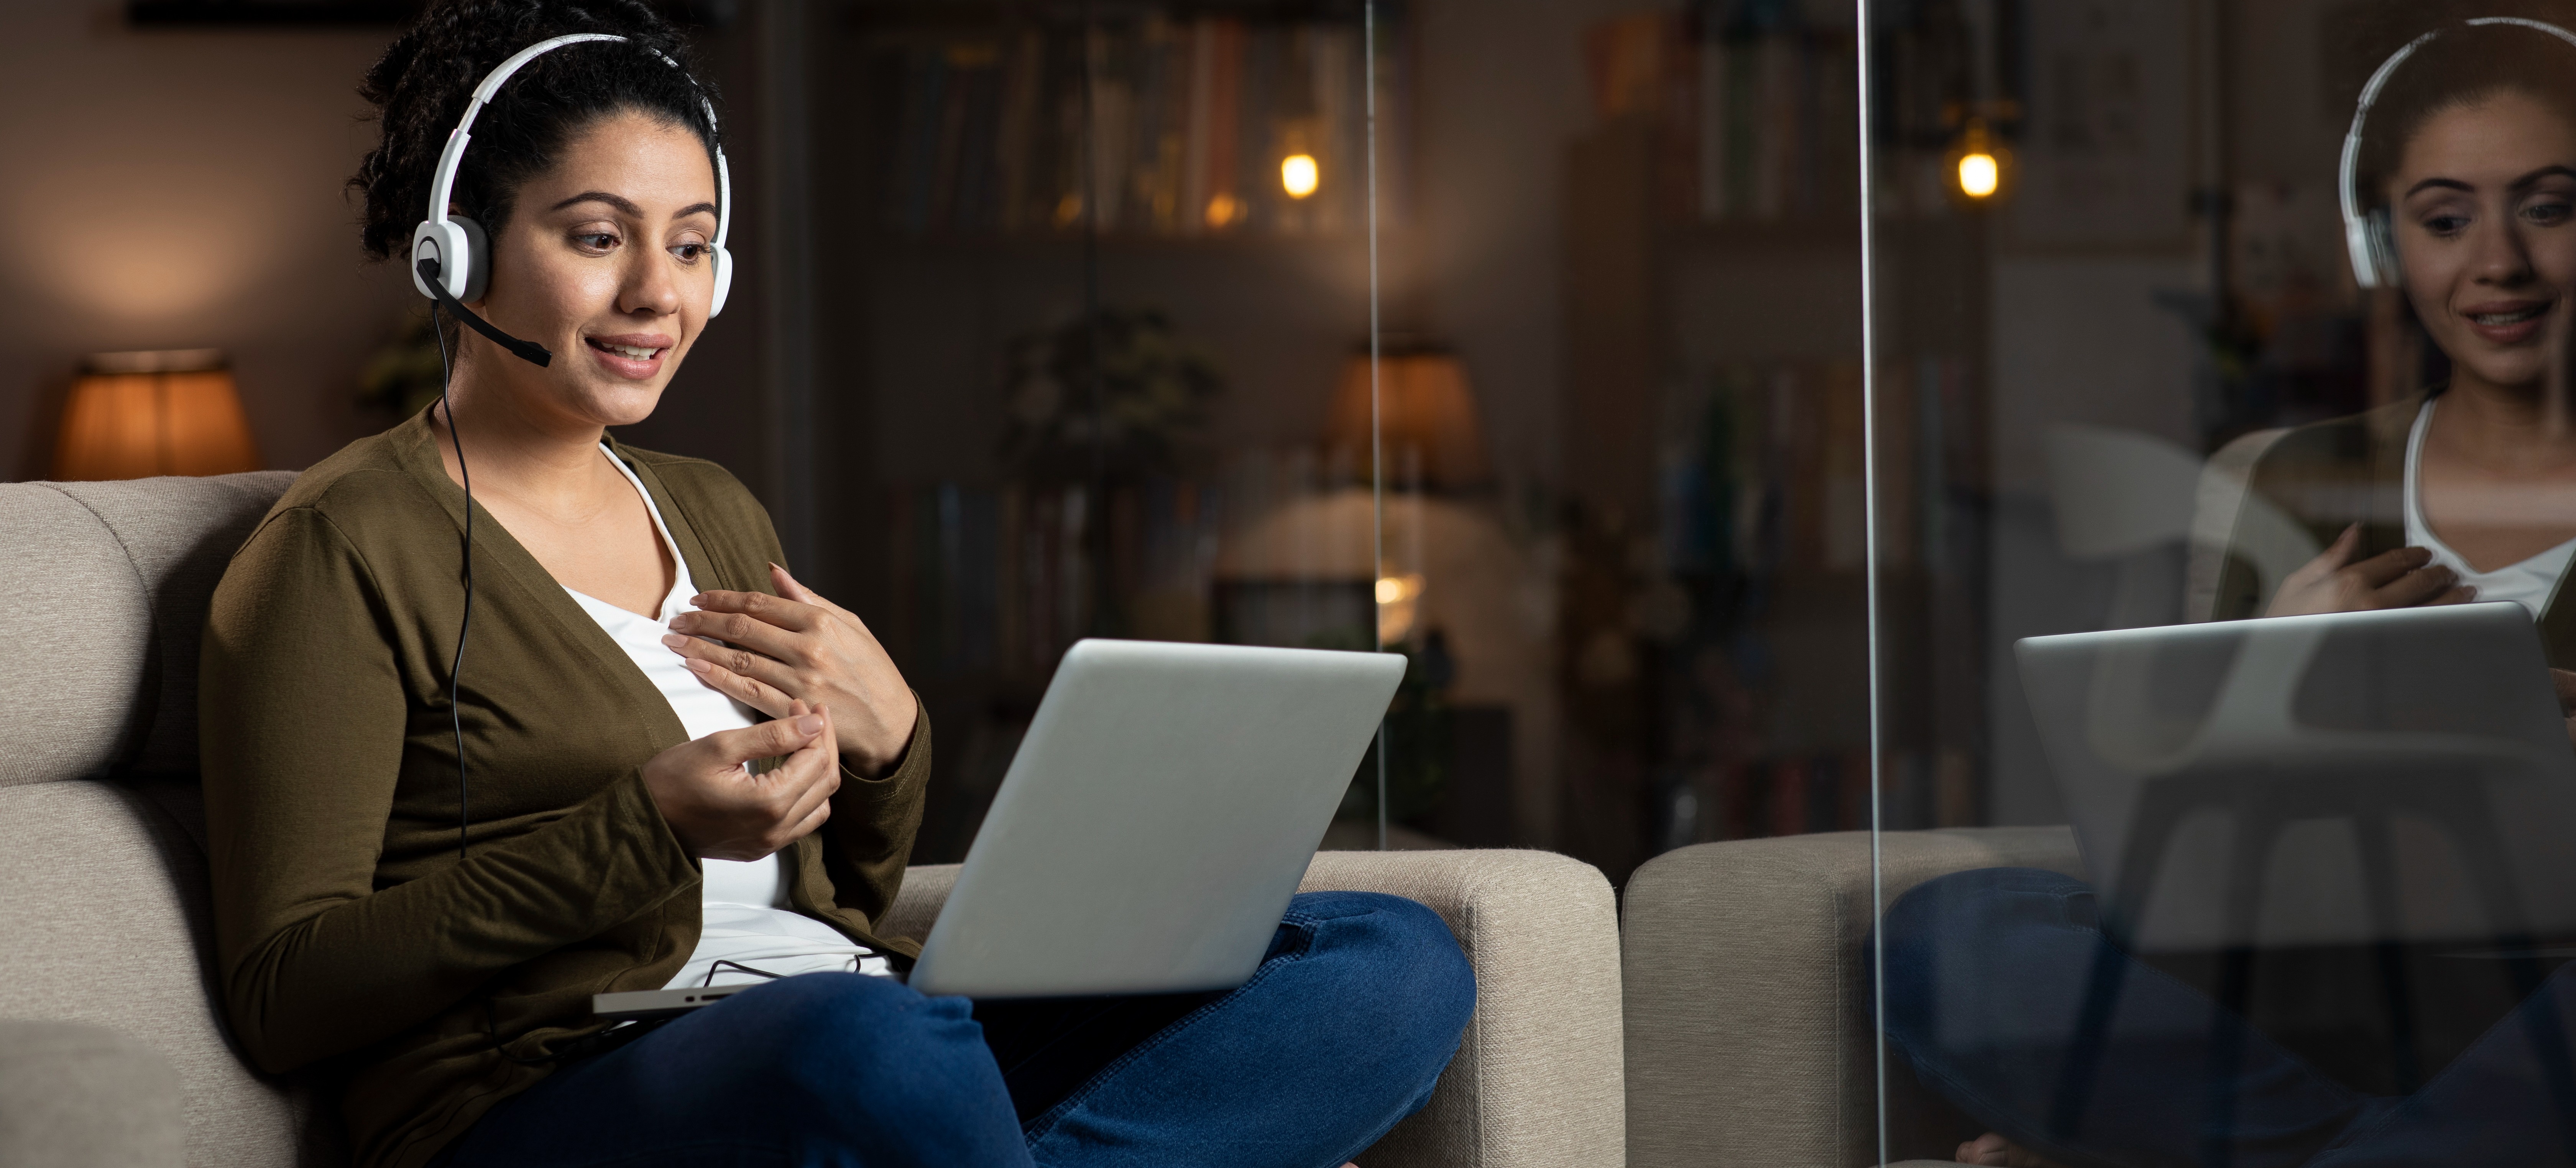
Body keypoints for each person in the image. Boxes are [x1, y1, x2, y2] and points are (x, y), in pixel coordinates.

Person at [197, 4, 1473, 1167]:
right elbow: (284, 991)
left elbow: (842, 902)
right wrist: (644, 830)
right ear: (458, 254)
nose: (656, 294)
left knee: (1389, 962)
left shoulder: (711, 508)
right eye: (597, 238)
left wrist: (887, 746)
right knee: (866, 1044)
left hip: (859, 1035)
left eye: (693, 246)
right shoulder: (341, 546)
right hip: (557, 1087)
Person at [1880, 20, 2576, 1168]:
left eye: (2548, 208)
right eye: (2446, 220)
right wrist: (2263, 668)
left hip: (2540, 1005)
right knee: (1941, 936)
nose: (2498, 260)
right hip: (2297, 1010)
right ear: (2383, 244)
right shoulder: (2289, 480)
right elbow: (2177, 857)